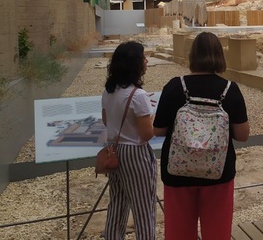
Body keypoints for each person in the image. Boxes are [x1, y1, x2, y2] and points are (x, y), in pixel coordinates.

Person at [153, 32, 250, 239]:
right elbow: (242, 135)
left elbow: (158, 130)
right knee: (217, 232)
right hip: (218, 171)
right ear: (219, 56)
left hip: (177, 170)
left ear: (192, 55)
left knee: (178, 232)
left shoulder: (174, 86)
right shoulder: (230, 90)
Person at [101, 41, 157, 240]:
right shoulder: (139, 96)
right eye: (143, 57)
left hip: (114, 150)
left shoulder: (108, 91)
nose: (146, 61)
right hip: (135, 154)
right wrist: (150, 114)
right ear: (134, 64)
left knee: (117, 204)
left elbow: (106, 120)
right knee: (144, 209)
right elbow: (147, 134)